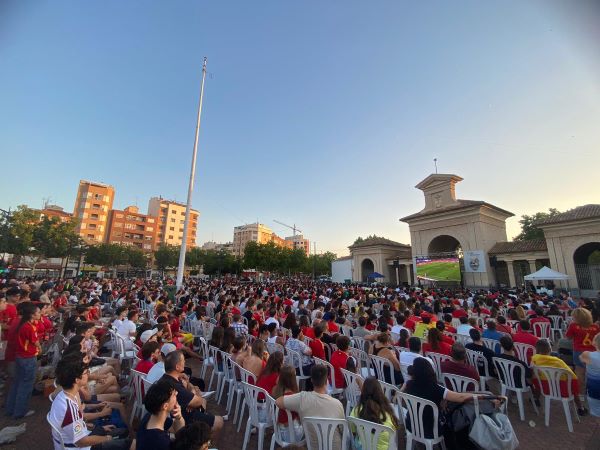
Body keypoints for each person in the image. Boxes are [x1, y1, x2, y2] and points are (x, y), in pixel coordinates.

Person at [49, 356, 132, 449]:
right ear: (77, 380)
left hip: (80, 437)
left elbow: (75, 424)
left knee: (123, 432)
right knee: (131, 444)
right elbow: (81, 441)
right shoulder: (69, 407)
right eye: (85, 373)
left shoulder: (63, 396)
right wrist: (107, 438)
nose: (88, 375)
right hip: (82, 446)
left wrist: (99, 429)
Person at [401, 357, 487, 443]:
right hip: (432, 430)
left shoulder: (409, 384)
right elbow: (460, 398)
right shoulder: (437, 388)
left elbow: (397, 396)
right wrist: (483, 396)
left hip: (410, 425)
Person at [276, 365, 345, 450]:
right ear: (326, 381)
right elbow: (343, 431)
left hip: (314, 446)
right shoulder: (337, 404)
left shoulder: (302, 398)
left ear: (311, 380)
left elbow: (278, 401)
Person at [159, 350, 224, 436]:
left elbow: (192, 396)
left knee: (200, 398)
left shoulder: (165, 378)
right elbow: (198, 401)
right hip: (180, 417)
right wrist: (193, 393)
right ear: (177, 367)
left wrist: (191, 390)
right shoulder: (176, 386)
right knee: (219, 421)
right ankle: (201, 444)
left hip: (174, 414)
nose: (185, 362)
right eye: (183, 360)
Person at [531, 339, 587, 415]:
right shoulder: (558, 361)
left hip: (545, 388)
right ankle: (580, 408)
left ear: (536, 349)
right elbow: (572, 376)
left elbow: (533, 375)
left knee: (538, 380)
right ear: (550, 349)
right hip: (562, 389)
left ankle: (536, 398)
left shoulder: (534, 359)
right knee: (573, 388)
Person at [5, 302, 40, 419]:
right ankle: (20, 411)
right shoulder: (29, 326)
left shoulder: (18, 322)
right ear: (31, 314)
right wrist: (39, 348)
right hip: (27, 357)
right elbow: (36, 342)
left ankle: (10, 409)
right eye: (38, 312)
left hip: (19, 356)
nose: (39, 314)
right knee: (26, 385)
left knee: (17, 383)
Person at [350, 377, 400, 450]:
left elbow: (353, 430)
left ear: (363, 391)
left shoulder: (356, 410)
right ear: (380, 391)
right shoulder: (388, 411)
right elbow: (394, 431)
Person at [136, 379, 185, 450]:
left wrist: (179, 417)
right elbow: (180, 434)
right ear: (165, 406)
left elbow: (179, 431)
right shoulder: (160, 442)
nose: (177, 393)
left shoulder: (150, 417)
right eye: (174, 394)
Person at [566, 308, 600, 395]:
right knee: (591, 373)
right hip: (592, 353)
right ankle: (589, 391)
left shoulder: (573, 326)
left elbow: (568, 337)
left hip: (579, 352)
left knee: (579, 373)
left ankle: (580, 393)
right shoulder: (595, 327)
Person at [272, 365, 304, 443]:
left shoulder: (275, 390)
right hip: (292, 434)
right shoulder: (292, 397)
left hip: (279, 430)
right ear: (292, 379)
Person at [580, 333, 600, 417]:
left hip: (593, 388)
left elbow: (582, 360)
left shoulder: (587, 354)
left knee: (596, 412)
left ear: (595, 342)